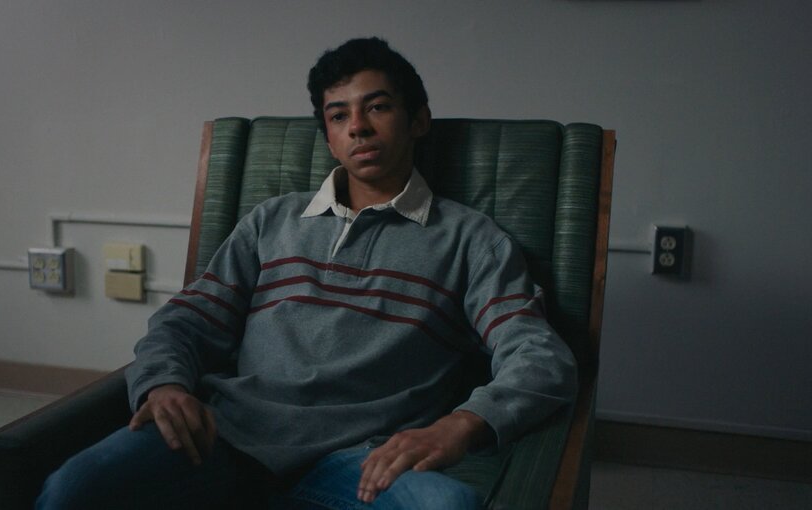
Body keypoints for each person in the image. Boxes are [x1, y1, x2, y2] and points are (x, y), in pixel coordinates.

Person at [36, 37, 577, 510]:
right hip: (227, 437)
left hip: (363, 460)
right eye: (338, 116)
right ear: (329, 136)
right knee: (73, 488)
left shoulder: (471, 240)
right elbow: (186, 322)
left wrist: (460, 424)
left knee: (446, 506)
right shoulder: (271, 222)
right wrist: (165, 384)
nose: (358, 127)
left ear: (418, 120)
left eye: (378, 107)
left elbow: (540, 358)